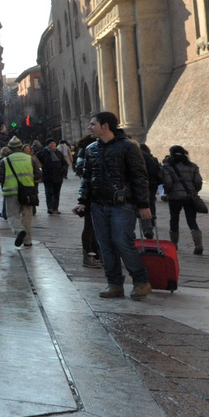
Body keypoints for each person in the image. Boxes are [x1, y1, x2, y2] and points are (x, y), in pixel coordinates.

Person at [74, 111, 153, 299]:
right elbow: (87, 178)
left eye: (93, 124)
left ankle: (141, 281)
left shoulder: (128, 147)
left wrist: (143, 204)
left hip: (122, 204)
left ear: (105, 126)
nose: (89, 127)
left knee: (122, 242)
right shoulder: (91, 149)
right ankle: (114, 284)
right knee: (105, 246)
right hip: (98, 205)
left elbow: (139, 178)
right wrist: (82, 201)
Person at [160, 145, 204, 255]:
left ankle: (174, 244)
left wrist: (168, 192)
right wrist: (194, 191)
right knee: (192, 220)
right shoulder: (193, 166)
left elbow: (168, 183)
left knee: (174, 219)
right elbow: (198, 182)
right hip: (189, 196)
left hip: (175, 197)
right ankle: (198, 244)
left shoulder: (167, 167)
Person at [0, 140, 42, 248]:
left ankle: (19, 230)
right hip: (28, 191)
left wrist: (6, 183)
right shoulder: (30, 159)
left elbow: (0, 175)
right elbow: (38, 174)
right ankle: (28, 241)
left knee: (12, 215)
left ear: (10, 148)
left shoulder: (5, 160)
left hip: (11, 191)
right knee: (27, 216)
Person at [72, 133, 102, 268]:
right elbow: (85, 174)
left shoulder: (83, 152)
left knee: (93, 226)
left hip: (93, 192)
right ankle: (90, 254)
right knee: (90, 225)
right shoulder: (88, 152)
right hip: (92, 193)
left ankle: (95, 253)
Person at [36, 138, 68, 213]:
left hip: (58, 176)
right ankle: (50, 208)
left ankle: (56, 208)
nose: (53, 144)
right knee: (49, 192)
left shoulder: (58, 153)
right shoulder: (42, 153)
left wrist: (62, 169)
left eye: (54, 143)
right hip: (48, 176)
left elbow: (65, 163)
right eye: (51, 143)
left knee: (57, 193)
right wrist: (41, 169)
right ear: (48, 144)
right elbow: (36, 162)